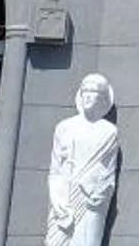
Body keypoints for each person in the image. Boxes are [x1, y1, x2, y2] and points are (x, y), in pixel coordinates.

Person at [45, 75, 120, 246]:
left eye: (92, 92)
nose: (87, 96)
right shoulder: (64, 127)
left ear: (102, 98)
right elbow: (55, 170)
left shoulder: (108, 132)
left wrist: (99, 193)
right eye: (84, 91)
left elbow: (108, 173)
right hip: (64, 198)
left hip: (90, 200)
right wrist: (58, 201)